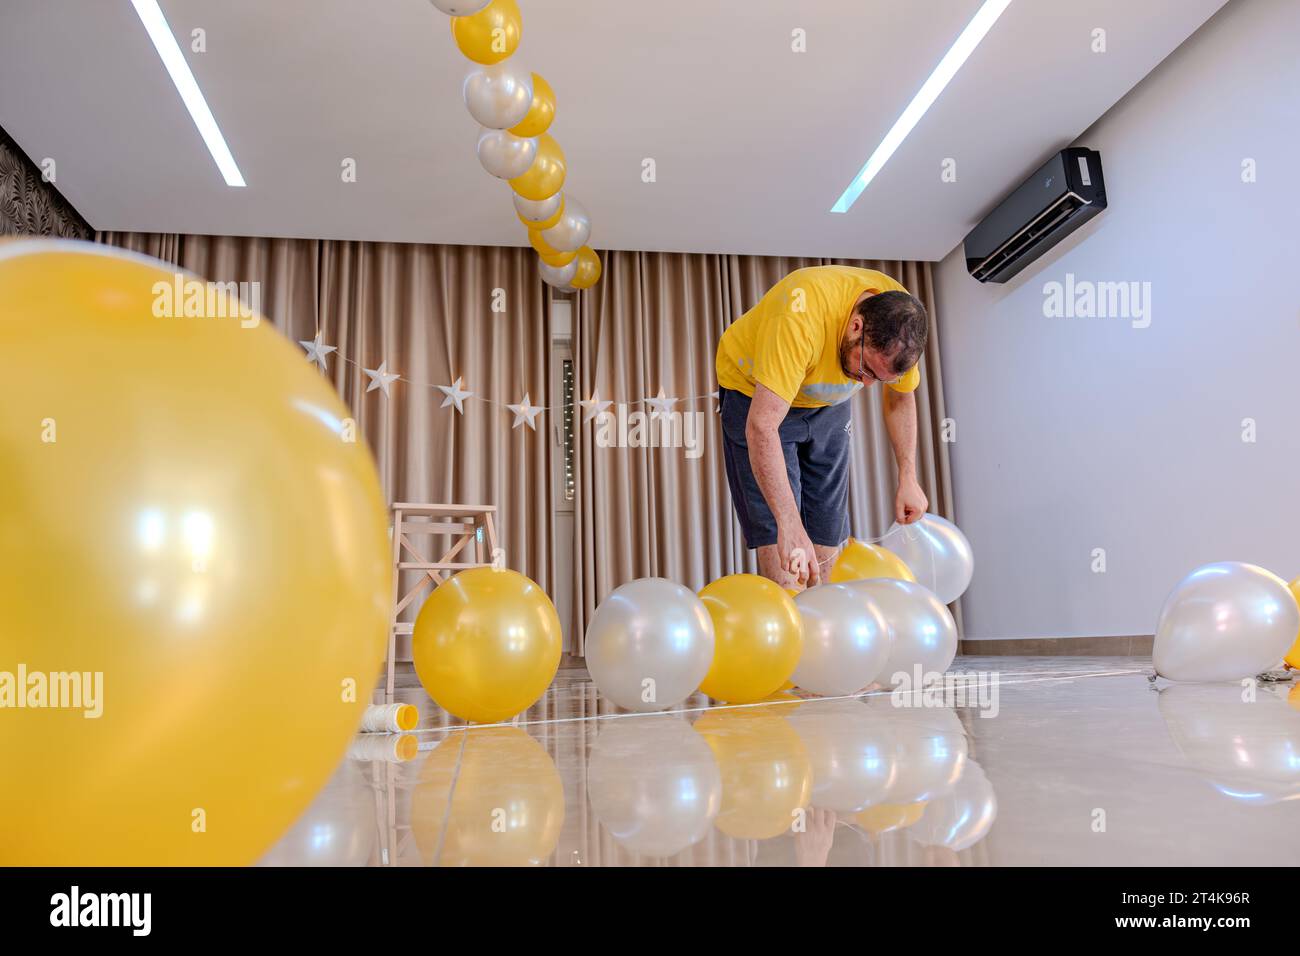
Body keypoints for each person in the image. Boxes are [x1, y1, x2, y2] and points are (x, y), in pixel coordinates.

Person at [715, 265, 930, 588]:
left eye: (881, 379)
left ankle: (824, 628)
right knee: (783, 542)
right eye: (867, 370)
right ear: (856, 326)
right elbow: (762, 426)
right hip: (755, 395)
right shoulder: (800, 316)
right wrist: (787, 522)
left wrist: (908, 476)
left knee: (825, 536)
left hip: (826, 403)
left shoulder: (902, 322)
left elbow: (901, 399)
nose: (869, 385)